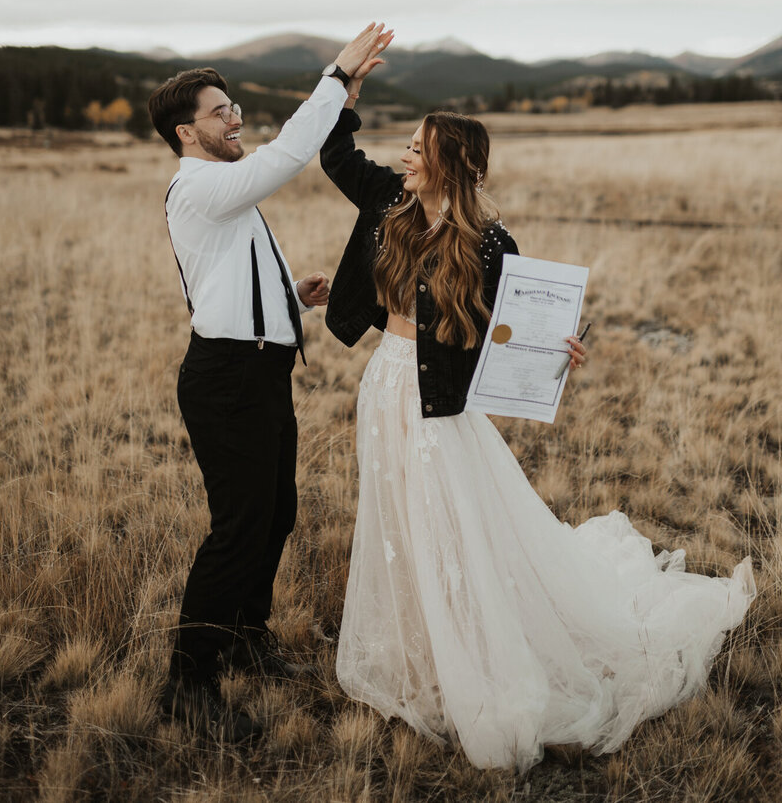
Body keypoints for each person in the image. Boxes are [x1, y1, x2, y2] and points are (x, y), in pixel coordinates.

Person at [319, 59, 756, 773]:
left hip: (441, 406)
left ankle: (478, 653)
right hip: (384, 387)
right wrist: (346, 89)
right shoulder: (387, 203)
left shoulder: (492, 244)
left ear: (448, 164)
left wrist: (561, 351)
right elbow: (335, 152)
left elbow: (513, 332)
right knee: (399, 515)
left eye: (418, 147)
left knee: (450, 524)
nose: (404, 154)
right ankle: (422, 652)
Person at [147, 21, 392, 743]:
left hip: (260, 371)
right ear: (187, 134)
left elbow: (229, 267)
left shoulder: (219, 190)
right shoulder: (200, 187)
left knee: (276, 511)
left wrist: (292, 292)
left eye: (233, 107)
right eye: (221, 111)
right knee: (238, 528)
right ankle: (188, 684)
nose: (236, 118)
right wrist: (337, 78)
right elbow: (292, 151)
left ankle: (249, 639)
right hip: (226, 380)